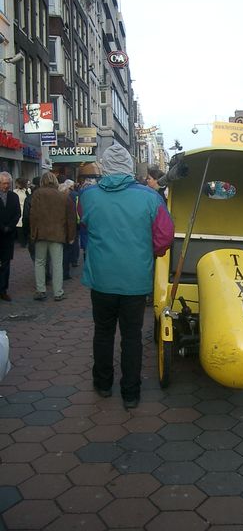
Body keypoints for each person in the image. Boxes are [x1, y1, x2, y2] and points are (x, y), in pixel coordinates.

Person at [79, 142, 174, 410]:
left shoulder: (88, 196)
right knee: (132, 336)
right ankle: (131, 392)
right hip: (135, 280)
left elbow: (83, 222)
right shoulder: (150, 198)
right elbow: (165, 237)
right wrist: (149, 251)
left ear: (105, 167)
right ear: (129, 168)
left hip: (101, 279)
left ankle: (103, 383)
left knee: (103, 332)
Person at [30, 171, 77, 301]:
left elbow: (33, 215)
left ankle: (41, 290)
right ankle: (58, 292)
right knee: (57, 263)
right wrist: (71, 235)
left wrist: (33, 233)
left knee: (40, 262)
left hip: (41, 233)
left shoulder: (37, 194)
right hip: (57, 234)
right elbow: (71, 218)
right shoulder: (62, 195)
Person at [0, 172, 21, 301]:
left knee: (6, 264)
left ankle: (3, 289)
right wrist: (1, 226)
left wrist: (10, 226)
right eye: (4, 183)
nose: (6, 186)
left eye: (8, 183)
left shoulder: (13, 196)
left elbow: (17, 213)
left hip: (8, 235)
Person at [13, 177, 31, 247]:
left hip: (25, 208)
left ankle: (25, 240)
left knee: (25, 224)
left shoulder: (28, 190)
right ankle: (22, 241)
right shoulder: (15, 191)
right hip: (18, 209)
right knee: (19, 225)